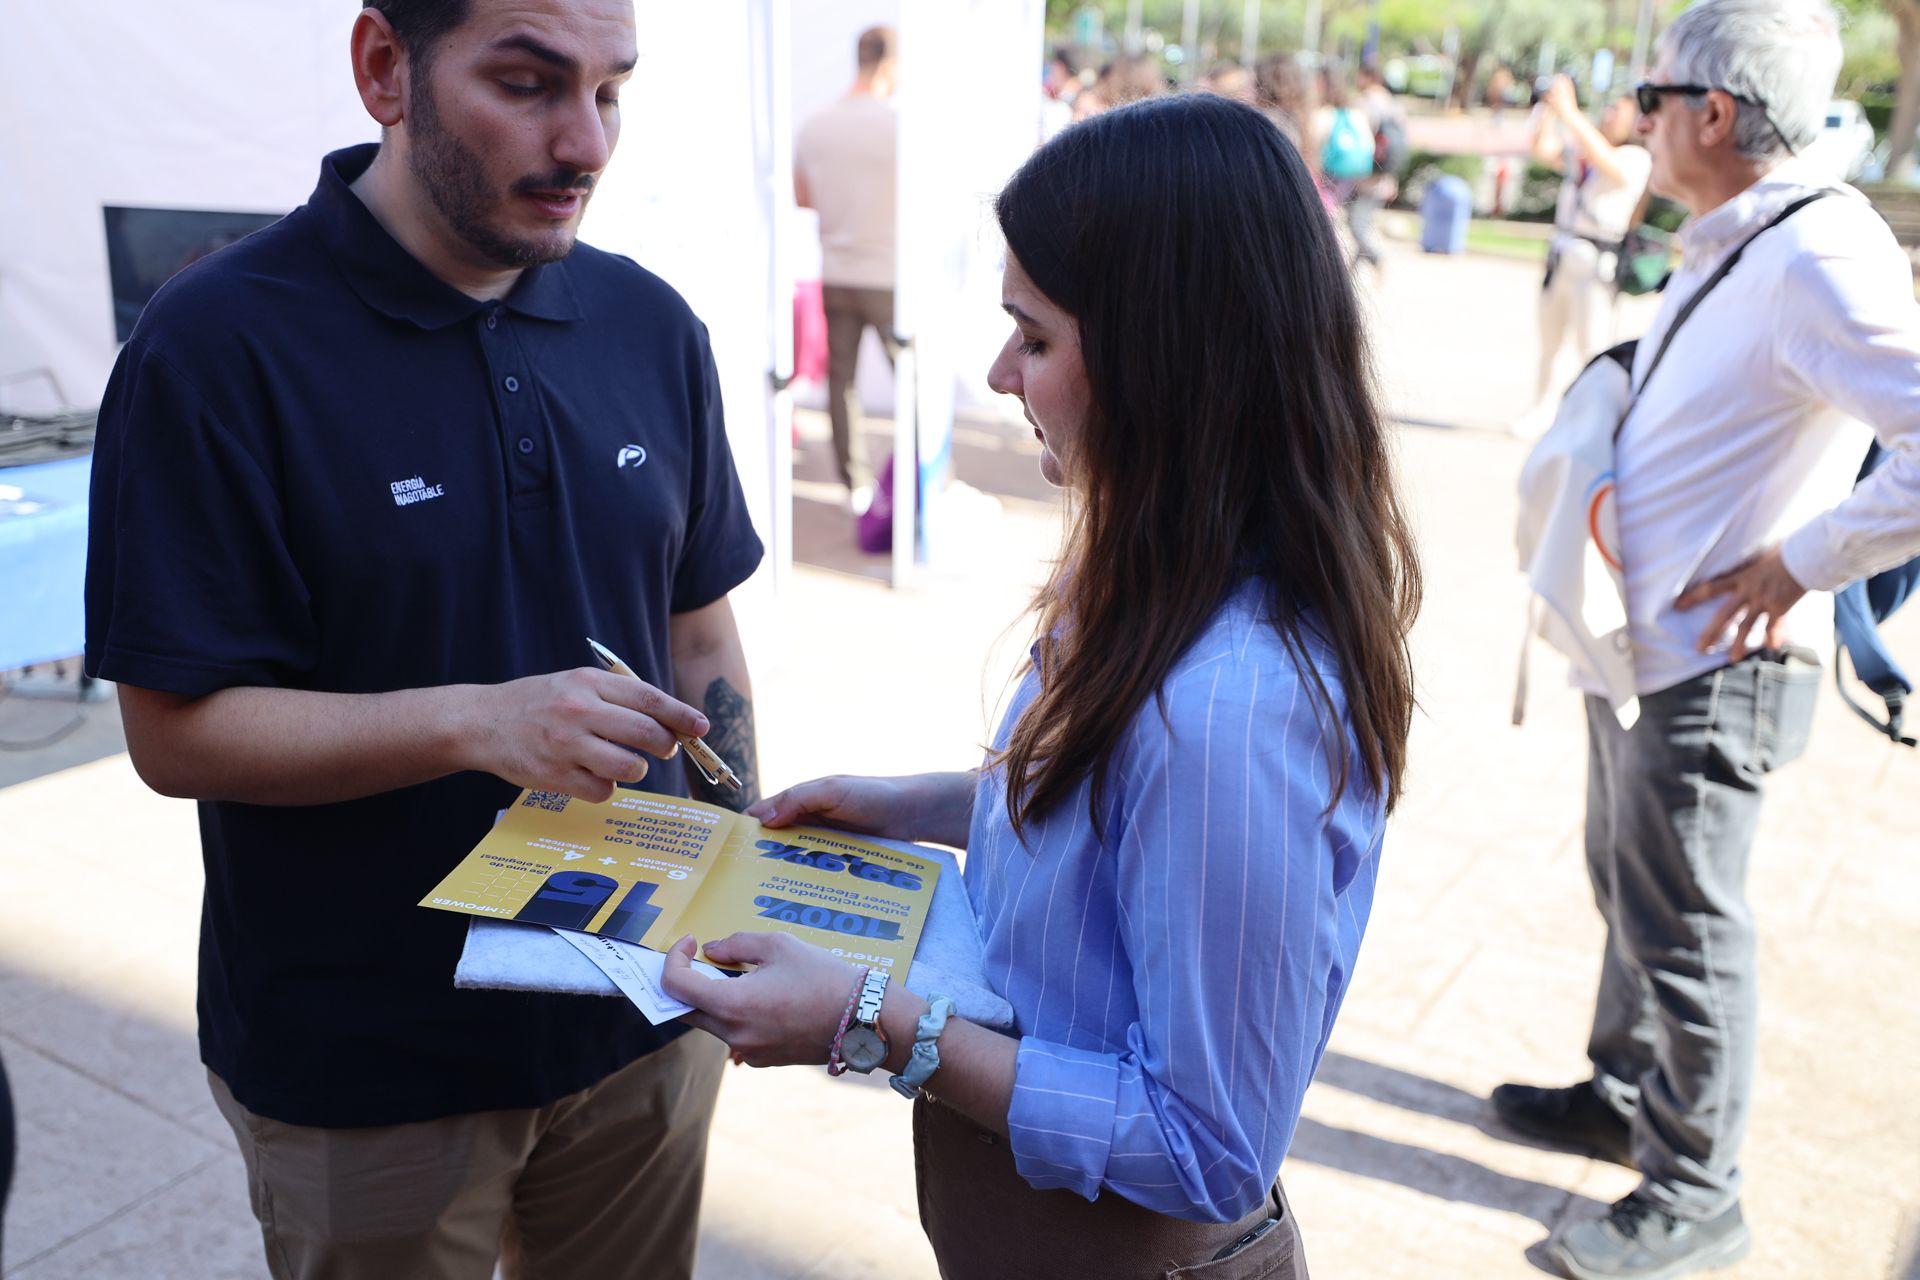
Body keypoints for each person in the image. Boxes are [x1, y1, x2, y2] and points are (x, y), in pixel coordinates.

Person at [661, 93, 1421, 1279]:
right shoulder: (1156, 574)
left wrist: (870, 1018)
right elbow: (1118, 822)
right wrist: (916, 802)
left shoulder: (1231, 701)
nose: (999, 370)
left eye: (1036, 336)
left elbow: (1206, 1143)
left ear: (1166, 360)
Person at [82, 1, 765, 1276]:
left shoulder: (650, 324)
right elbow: (174, 734)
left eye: (612, 92)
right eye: (527, 83)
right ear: (385, 68)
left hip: (641, 1024)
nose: (587, 140)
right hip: (371, 1062)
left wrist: (743, 887)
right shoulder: (218, 344)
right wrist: (479, 719)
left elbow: (699, 629)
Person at [1491, 3, 1920, 1278]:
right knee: (1635, 892)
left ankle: (1696, 1193)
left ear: (1716, 113)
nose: (1637, 117)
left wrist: (1802, 559)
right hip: (1652, 650)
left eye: (1650, 95)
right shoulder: (1751, 235)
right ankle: (1625, 1090)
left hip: (1716, 666)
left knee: (1686, 926)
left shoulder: (1815, 250)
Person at [794, 26, 901, 517]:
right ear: (889, 63)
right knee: (913, 380)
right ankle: (917, 479)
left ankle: (855, 486)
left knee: (843, 382)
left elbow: (803, 199)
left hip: (836, 269)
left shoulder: (816, 125)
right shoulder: (897, 125)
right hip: (889, 272)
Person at [1512, 77, 1650, 438]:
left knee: (1592, 347)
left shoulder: (1635, 157)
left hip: (1595, 261)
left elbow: (1610, 165)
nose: (1607, 114)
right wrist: (1547, 110)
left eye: (1616, 111)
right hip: (1562, 253)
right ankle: (1541, 410)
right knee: (1550, 342)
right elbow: (1541, 148)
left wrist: (1569, 112)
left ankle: (1596, 421)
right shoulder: (1584, 148)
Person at [1349, 63, 1407, 282]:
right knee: (1362, 223)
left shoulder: (1365, 103)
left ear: (1368, 77)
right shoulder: (1394, 105)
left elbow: (1358, 140)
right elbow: (1400, 145)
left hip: (1366, 175)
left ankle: (1377, 260)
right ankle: (1349, 277)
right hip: (1385, 174)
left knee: (1357, 225)